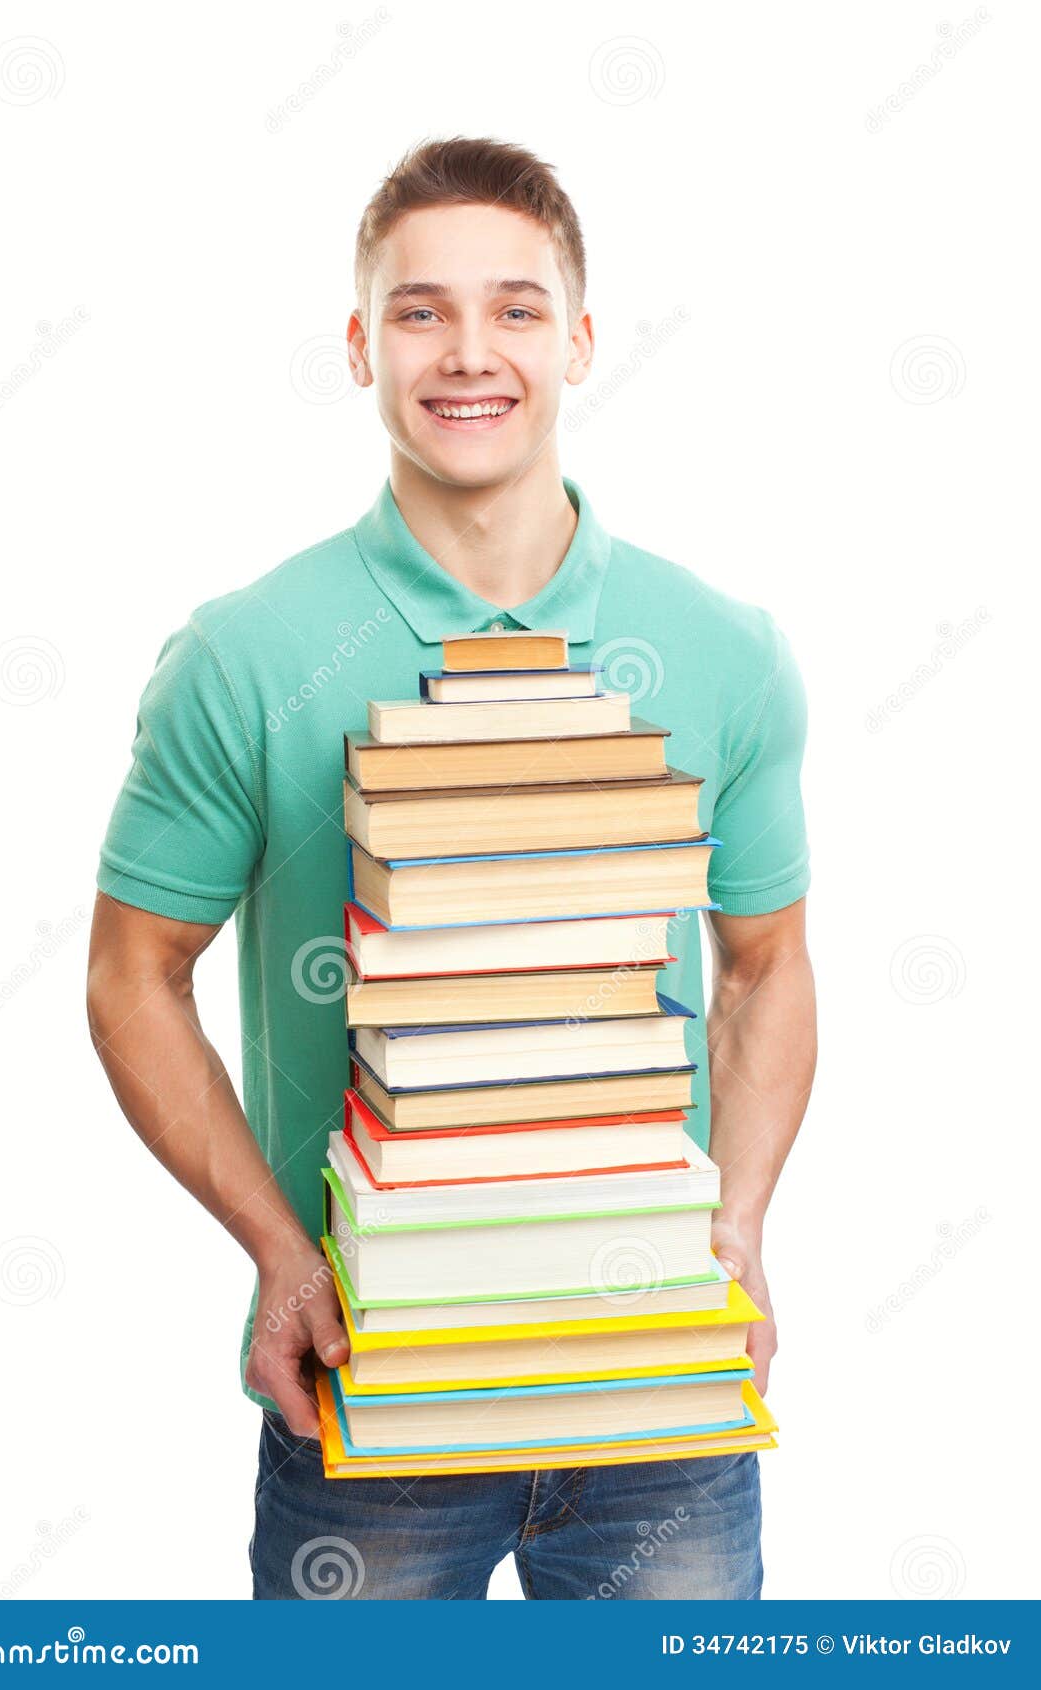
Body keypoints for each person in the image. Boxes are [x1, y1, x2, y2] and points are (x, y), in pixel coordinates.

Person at [87, 135, 817, 1601]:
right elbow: (133, 976)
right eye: (420, 311)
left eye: (516, 308)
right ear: (360, 345)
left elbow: (762, 968)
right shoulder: (248, 652)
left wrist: (732, 1222)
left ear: (581, 339)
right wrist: (281, 1255)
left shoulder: (722, 646)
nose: (467, 352)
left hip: (656, 1386)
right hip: (371, 1379)